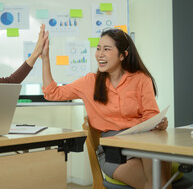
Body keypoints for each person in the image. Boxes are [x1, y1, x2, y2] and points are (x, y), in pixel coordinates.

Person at [41, 26, 171, 189]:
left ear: (123, 55)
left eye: (107, 49)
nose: (100, 54)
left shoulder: (141, 80)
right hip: (113, 150)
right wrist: (45, 58)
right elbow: (52, 93)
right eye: (98, 48)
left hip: (141, 142)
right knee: (155, 183)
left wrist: (158, 124)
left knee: (154, 162)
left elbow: (150, 118)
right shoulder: (90, 82)